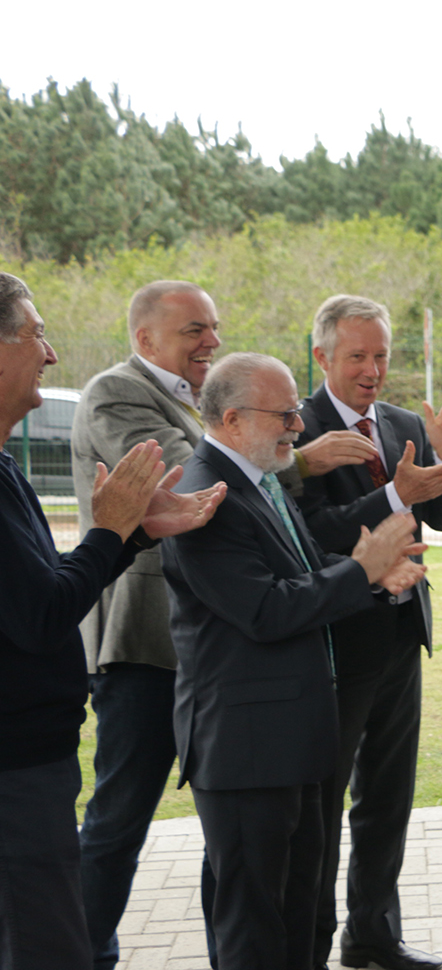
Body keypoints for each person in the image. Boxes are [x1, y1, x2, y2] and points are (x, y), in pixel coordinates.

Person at [70, 280, 381, 968]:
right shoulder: (120, 397)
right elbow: (182, 488)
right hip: (147, 650)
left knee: (270, 886)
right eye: (193, 331)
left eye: (213, 328)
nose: (210, 340)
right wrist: (302, 466)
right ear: (145, 337)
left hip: (243, 687)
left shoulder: (237, 444)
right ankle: (82, 951)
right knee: (122, 823)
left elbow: (274, 533)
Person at [160, 352, 425, 970]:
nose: (297, 427)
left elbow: (307, 575)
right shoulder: (205, 495)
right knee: (256, 924)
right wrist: (362, 570)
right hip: (247, 750)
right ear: (231, 420)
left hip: (293, 740)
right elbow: (267, 610)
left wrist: (374, 577)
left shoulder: (261, 481)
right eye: (283, 415)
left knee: (300, 909)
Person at [0, 272, 224, 969]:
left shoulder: (6, 470)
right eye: (36, 335)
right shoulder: (117, 392)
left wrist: (128, 534)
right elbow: (41, 614)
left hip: (35, 759)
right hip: (34, 756)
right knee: (63, 917)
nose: (51, 354)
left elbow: (40, 589)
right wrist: (113, 531)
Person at [292, 295, 442, 970]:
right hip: (335, 646)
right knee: (321, 805)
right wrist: (395, 497)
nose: (372, 371)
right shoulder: (296, 431)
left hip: (402, 638)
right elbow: (307, 536)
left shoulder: (401, 422)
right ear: (322, 357)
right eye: (357, 357)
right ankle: (308, 944)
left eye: (381, 356)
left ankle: (372, 939)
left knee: (388, 801)